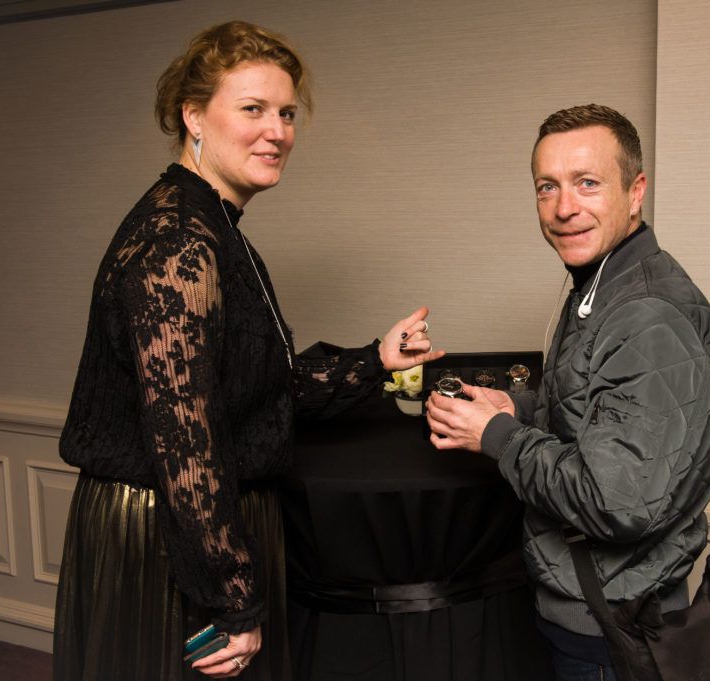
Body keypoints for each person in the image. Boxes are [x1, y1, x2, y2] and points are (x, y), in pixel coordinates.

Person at [53, 20, 442, 681]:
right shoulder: (180, 241)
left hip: (192, 527)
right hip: (167, 538)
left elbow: (263, 389)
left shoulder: (214, 228)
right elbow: (186, 441)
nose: (278, 131)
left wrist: (375, 359)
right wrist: (231, 596)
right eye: (253, 109)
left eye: (287, 113)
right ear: (194, 115)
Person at [425, 104, 710, 680]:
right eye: (548, 187)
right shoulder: (603, 284)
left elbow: (611, 502)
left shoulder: (644, 315)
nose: (564, 208)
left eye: (587, 183)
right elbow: (596, 415)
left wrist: (495, 434)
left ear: (635, 191)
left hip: (613, 623)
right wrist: (514, 408)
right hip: (604, 606)